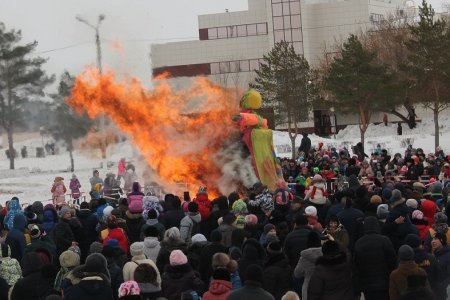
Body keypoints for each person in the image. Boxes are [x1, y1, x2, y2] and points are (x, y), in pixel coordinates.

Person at [354, 216, 396, 300]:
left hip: (367, 284)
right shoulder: (384, 240)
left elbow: (356, 265)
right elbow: (392, 260)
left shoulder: (359, 242)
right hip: (384, 282)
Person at [294, 231, 323, 300]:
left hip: (309, 287)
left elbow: (297, 273)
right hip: (324, 286)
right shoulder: (326, 254)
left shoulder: (305, 256)